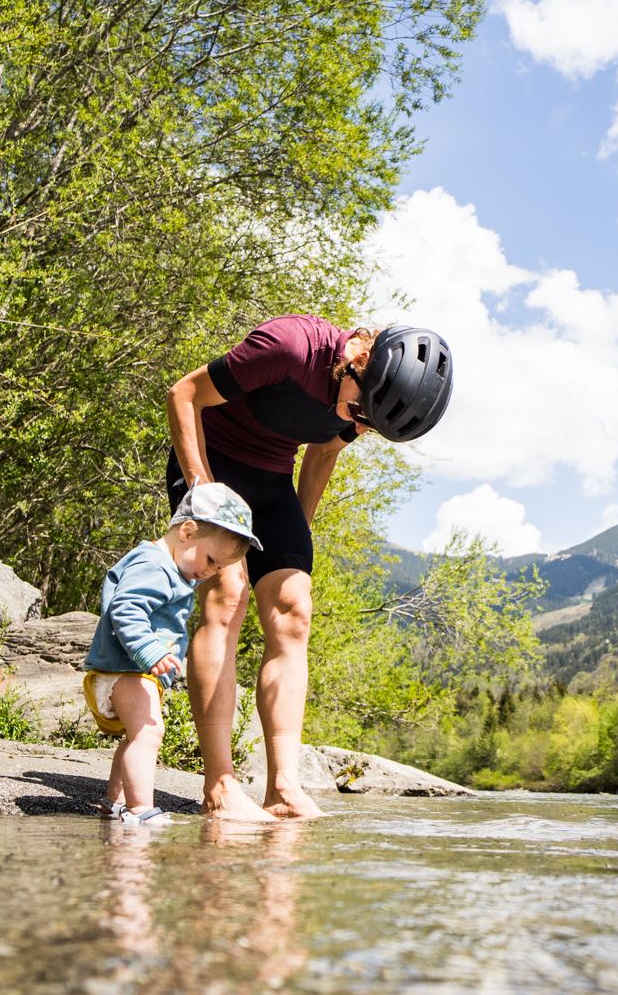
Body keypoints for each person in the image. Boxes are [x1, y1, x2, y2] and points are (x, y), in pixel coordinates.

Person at [165, 315, 453, 821]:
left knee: (294, 609)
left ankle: (284, 788)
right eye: (361, 411)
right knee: (227, 594)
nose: (360, 425)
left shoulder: (366, 402)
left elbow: (322, 453)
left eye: (372, 426)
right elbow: (184, 395)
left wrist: (293, 543)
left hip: (272, 479)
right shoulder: (289, 348)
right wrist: (202, 492)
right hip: (214, 460)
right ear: (358, 360)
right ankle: (219, 785)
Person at [82, 482, 261, 824]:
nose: (209, 572)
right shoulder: (155, 563)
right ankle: (141, 810)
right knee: (149, 733)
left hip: (133, 671)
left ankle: (115, 801)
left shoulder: (172, 569)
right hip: (127, 669)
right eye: (210, 560)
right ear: (187, 530)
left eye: (218, 569)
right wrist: (150, 652)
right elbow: (126, 608)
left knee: (137, 736)